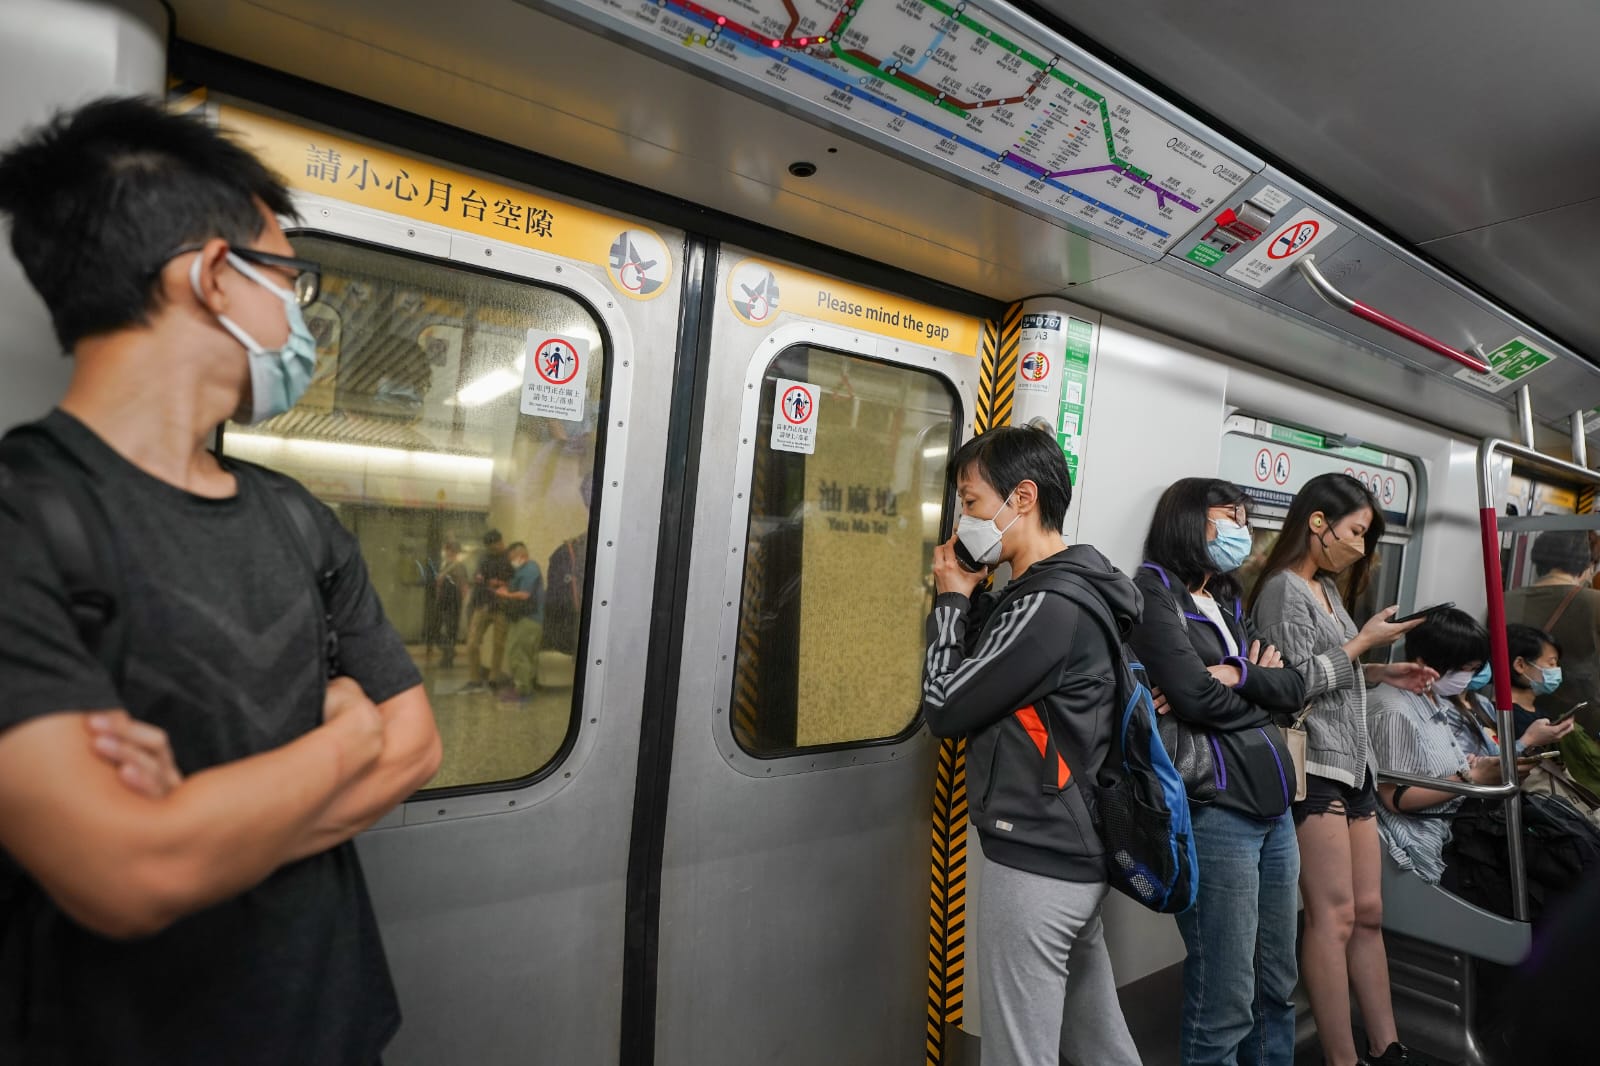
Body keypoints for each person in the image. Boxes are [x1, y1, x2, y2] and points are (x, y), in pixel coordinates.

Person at [0, 97, 442, 1064]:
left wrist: (195, 826)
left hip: (333, 1026)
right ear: (213, 276)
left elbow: (414, 748)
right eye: (289, 276)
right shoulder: (26, 518)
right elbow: (124, 869)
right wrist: (341, 741)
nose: (298, 311)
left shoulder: (294, 518)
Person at [919, 425, 1141, 1066]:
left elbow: (944, 706)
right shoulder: (1072, 586)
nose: (965, 519)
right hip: (1071, 847)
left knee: (1019, 1052)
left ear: (1022, 498)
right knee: (1100, 1048)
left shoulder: (1046, 606)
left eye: (971, 501)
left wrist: (951, 604)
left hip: (1037, 859)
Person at [1248, 472, 1430, 1066]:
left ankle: (1388, 1045)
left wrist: (1380, 672)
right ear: (1318, 522)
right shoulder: (1282, 590)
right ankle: (1341, 1057)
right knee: (1335, 914)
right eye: (1356, 532)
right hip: (1315, 764)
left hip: (1355, 766)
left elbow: (1333, 672)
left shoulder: (1325, 589)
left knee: (1369, 914)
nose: (1361, 546)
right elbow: (1291, 687)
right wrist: (1361, 647)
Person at [1128, 478, 1308, 1066]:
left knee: (1276, 981)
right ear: (1186, 519)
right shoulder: (1153, 592)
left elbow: (1292, 688)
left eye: (1243, 514)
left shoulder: (1229, 598)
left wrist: (1233, 677)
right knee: (1226, 994)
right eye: (1226, 514)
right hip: (1217, 807)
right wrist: (1238, 680)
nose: (1240, 525)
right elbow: (1192, 695)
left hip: (1274, 805)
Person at [1504, 529, 1600, 732]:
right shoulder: (1595, 603)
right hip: (1579, 721)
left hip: (1515, 716)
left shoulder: (1506, 600)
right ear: (1586, 563)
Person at [464, 527, 515, 687]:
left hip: (501, 607)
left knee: (499, 644)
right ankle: (474, 678)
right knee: (472, 643)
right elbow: (478, 580)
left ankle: (494, 677)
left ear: (501, 542)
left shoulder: (510, 558)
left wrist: (501, 584)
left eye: (496, 545)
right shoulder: (483, 558)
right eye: (490, 548)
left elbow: (516, 582)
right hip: (482, 606)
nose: (494, 549)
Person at [498, 541, 544, 697]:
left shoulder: (530, 568)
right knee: (526, 655)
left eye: (513, 558)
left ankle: (522, 690)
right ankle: (526, 688)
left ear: (521, 556)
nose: (512, 562)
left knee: (518, 654)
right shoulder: (522, 570)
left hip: (528, 619)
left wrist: (506, 594)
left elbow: (525, 594)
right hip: (526, 619)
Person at [431, 538, 469, 668]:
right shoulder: (444, 565)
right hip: (442, 600)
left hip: (453, 600)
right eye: (447, 549)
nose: (448, 552)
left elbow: (463, 585)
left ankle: (448, 656)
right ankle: (448, 650)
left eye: (451, 550)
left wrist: (462, 599)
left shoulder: (458, 566)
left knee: (451, 629)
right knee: (434, 629)